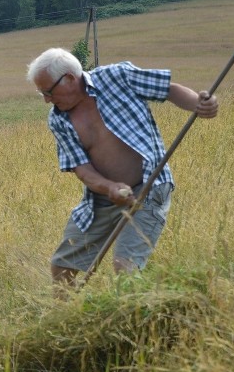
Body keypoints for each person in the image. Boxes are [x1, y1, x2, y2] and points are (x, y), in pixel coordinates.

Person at [26, 48, 219, 291]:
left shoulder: (118, 76)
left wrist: (198, 105)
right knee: (61, 268)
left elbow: (169, 89)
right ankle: (71, 322)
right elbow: (83, 170)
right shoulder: (58, 120)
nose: (46, 100)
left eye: (47, 92)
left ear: (70, 79)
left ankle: (136, 322)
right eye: (41, 93)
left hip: (149, 188)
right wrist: (111, 188)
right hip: (102, 200)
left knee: (124, 267)